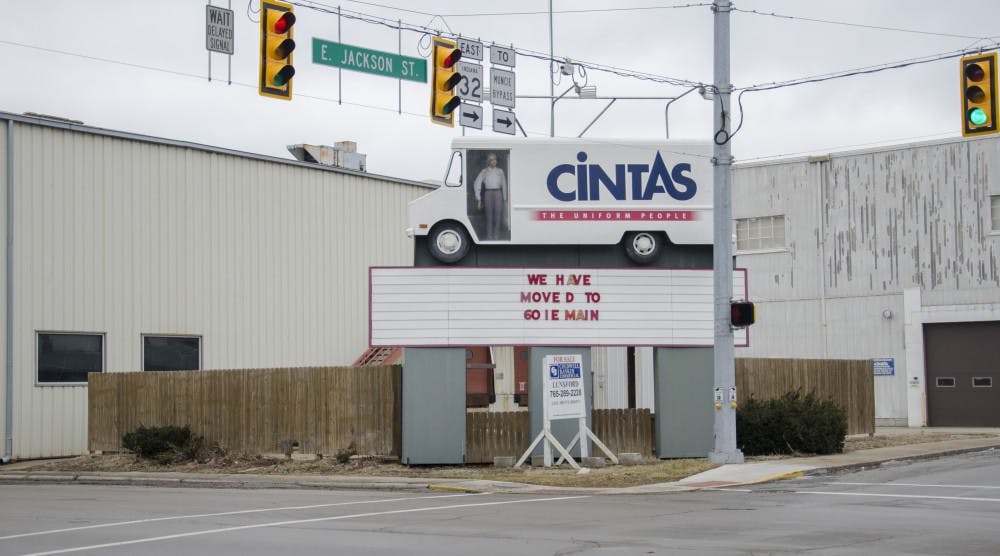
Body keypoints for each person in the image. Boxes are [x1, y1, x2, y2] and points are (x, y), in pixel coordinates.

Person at [473, 153, 508, 240]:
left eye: (495, 159)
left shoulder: (500, 171)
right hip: (488, 193)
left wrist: (505, 198)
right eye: (492, 160)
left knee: (498, 215)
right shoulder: (484, 171)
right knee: (489, 215)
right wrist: (478, 197)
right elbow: (477, 183)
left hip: (498, 193)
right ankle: (489, 236)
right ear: (488, 161)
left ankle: (496, 235)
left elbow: (504, 184)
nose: (494, 161)